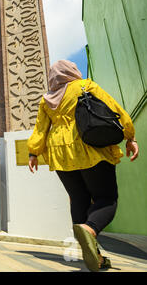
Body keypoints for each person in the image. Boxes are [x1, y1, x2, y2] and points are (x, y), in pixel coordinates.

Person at [27, 60, 139, 272]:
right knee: (107, 198)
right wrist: (130, 136)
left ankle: (93, 254)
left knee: (78, 199)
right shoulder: (86, 85)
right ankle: (90, 229)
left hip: (61, 155)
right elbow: (114, 110)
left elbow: (40, 130)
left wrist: (33, 152)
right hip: (90, 146)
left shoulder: (46, 100)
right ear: (72, 72)